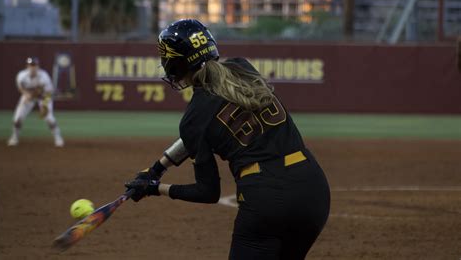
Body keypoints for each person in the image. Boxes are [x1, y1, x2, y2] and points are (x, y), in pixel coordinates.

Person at [125, 19, 330, 259]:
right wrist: (157, 168)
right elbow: (199, 133)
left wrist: (155, 188)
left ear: (175, 63)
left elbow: (208, 192)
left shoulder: (194, 117)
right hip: (313, 189)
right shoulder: (243, 68)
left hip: (266, 199)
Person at [7, 57, 64, 147]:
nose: (32, 67)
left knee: (49, 118)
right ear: (27, 66)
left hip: (43, 97)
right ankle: (14, 138)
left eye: (34, 65)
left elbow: (49, 92)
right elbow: (20, 87)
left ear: (38, 66)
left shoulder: (44, 76)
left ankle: (58, 138)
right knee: (17, 118)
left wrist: (44, 106)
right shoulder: (21, 76)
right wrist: (26, 94)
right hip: (28, 97)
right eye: (30, 65)